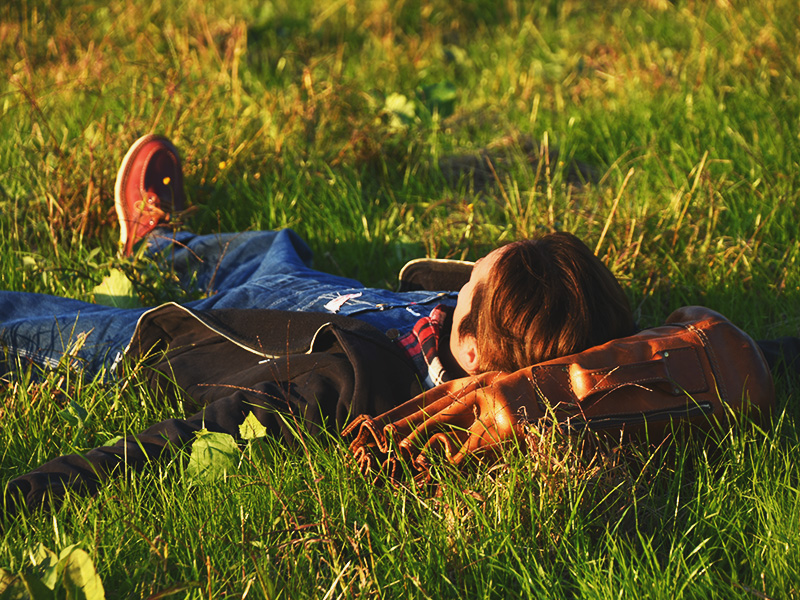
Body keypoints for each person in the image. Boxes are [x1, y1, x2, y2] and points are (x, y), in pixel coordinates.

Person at [1, 134, 786, 514]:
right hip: (299, 283)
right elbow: (760, 355)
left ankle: (146, 276)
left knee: (45, 327)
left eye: (477, 272)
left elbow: (186, 438)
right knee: (268, 247)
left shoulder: (360, 381)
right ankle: (163, 239)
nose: (471, 262)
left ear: (474, 349)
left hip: (194, 333)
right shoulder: (548, 338)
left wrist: (36, 490)